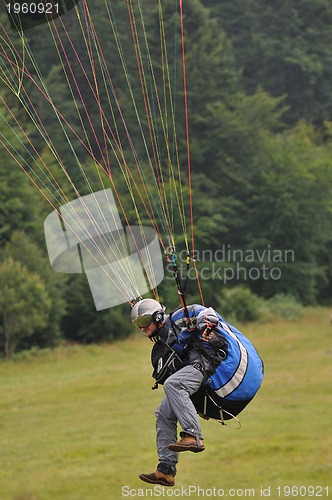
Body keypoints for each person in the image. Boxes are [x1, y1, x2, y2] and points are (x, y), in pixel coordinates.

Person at [131, 298, 264, 487]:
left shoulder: (180, 316)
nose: (142, 328)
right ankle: (166, 470)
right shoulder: (164, 340)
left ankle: (193, 436)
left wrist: (206, 328)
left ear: (158, 316)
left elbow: (205, 313)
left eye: (144, 322)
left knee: (173, 385)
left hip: (210, 367)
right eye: (138, 325)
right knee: (163, 413)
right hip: (198, 376)